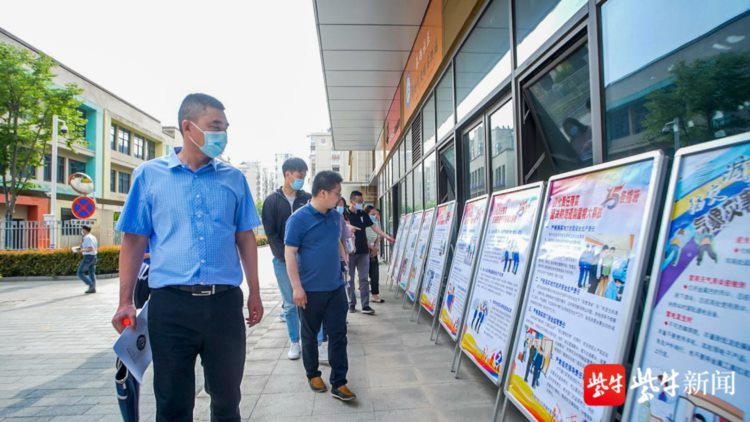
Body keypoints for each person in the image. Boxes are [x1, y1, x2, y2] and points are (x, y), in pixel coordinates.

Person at [111, 93, 264, 421]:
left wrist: (255, 292)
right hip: (170, 306)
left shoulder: (233, 179)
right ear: (188, 126)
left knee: (226, 400)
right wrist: (125, 301)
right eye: (215, 126)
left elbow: (245, 238)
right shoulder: (149, 176)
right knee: (173, 403)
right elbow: (134, 240)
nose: (222, 135)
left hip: (224, 305)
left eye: (225, 128)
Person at [284, 170, 356, 401]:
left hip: (335, 287)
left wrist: (344, 257)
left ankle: (339, 382)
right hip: (310, 290)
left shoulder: (335, 217)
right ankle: (313, 374)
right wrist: (296, 287)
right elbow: (290, 254)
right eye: (336, 193)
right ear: (323, 193)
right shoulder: (298, 220)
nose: (339, 198)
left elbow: (336, 241)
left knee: (338, 335)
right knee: (310, 335)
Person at [262, 157, 328, 361]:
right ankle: (294, 341)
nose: (302, 179)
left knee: (314, 301)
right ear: (287, 174)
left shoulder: (308, 198)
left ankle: (319, 342)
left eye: (304, 175)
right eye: (299, 174)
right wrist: (285, 256)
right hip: (283, 262)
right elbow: (271, 233)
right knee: (290, 304)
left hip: (308, 261)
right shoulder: (272, 201)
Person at [344, 191, 394, 314]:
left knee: (364, 279)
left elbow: (374, 227)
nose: (362, 204)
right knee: (350, 280)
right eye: (359, 202)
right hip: (350, 253)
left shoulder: (362, 214)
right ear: (352, 202)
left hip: (363, 252)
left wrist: (386, 236)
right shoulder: (344, 214)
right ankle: (352, 303)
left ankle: (365, 305)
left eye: (362, 202)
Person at [364, 205, 384, 303]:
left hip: (374, 250)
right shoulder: (363, 222)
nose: (375, 216)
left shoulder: (376, 222)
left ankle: (375, 295)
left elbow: (379, 235)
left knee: (375, 273)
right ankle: (364, 295)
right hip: (364, 250)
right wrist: (370, 247)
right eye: (372, 214)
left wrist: (376, 247)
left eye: (375, 214)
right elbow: (362, 237)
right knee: (364, 275)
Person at [76, 225, 98, 294]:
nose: (82, 231)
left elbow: (90, 248)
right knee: (91, 273)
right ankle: (93, 288)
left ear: (85, 230)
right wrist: (81, 247)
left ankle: (91, 284)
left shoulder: (87, 237)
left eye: (82, 230)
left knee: (80, 272)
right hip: (94, 256)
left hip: (88, 257)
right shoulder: (93, 237)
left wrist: (81, 250)